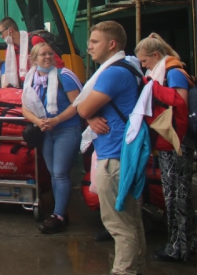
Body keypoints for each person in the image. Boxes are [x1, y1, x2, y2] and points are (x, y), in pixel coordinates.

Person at [75, 21, 145, 275]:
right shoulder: (130, 67)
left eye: (94, 42)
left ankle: (123, 271)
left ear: (112, 44)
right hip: (122, 154)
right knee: (131, 220)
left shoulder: (113, 72)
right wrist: (92, 117)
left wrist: (89, 114)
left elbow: (82, 107)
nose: (89, 46)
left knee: (118, 224)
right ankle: (136, 267)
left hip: (113, 157)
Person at [135, 33, 195, 262]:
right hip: (171, 140)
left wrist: (151, 87)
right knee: (177, 194)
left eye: (144, 61)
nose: (143, 66)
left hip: (176, 141)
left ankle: (178, 247)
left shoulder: (173, 74)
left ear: (156, 56)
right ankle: (182, 244)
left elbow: (180, 103)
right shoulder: (166, 71)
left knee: (176, 195)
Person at [21, 43, 83, 234]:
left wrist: (55, 120)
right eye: (43, 54)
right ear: (34, 59)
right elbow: (25, 108)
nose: (48, 57)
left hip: (66, 129)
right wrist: (39, 122)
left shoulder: (65, 76)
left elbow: (78, 104)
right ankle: (61, 211)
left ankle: (58, 216)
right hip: (46, 131)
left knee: (60, 173)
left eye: (50, 53)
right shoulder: (31, 79)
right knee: (53, 173)